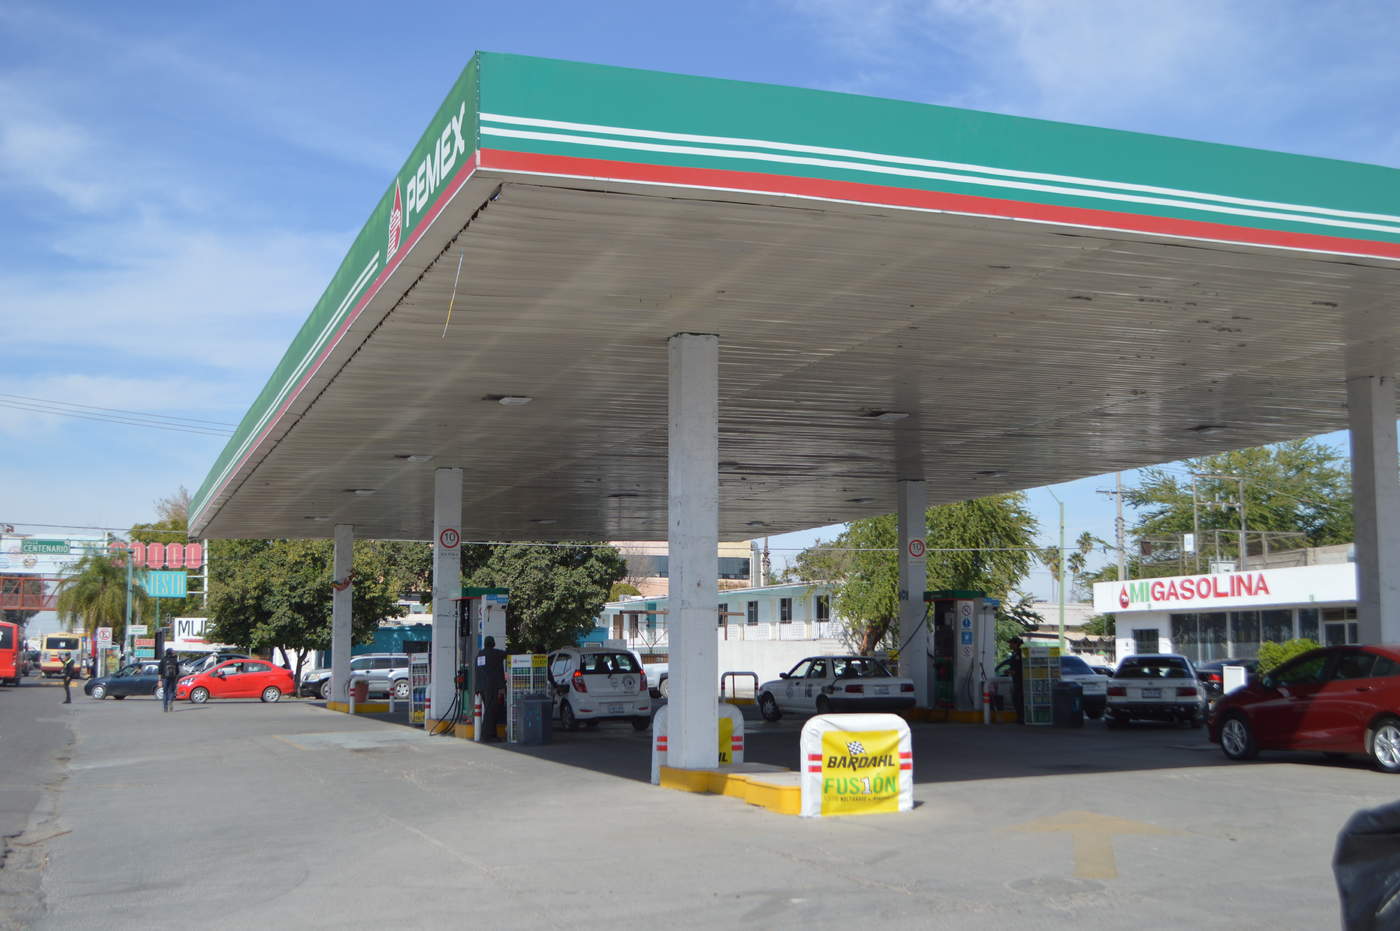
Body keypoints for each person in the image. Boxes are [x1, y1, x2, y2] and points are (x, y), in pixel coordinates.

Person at [475, 636, 507, 742]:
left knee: (490, 709)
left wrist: (477, 687)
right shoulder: (495, 653)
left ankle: (493, 735)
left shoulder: (480, 655)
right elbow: (507, 654)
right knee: (490, 711)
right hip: (491, 686)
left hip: (481, 687)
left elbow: (477, 671)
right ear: (493, 643)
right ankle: (486, 736)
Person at [1007, 637, 1025, 725]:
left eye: (1011, 643)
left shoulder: (1020, 653)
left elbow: (1020, 667)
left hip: (1020, 680)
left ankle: (1022, 718)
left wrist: (1013, 671)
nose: (1009, 645)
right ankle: (1019, 717)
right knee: (1016, 699)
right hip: (1016, 679)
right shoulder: (1014, 653)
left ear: (1016, 644)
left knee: (1019, 699)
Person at [158, 648, 181, 712]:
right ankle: (170, 701)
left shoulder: (163, 659)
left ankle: (165, 707)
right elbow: (177, 671)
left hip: (165, 678)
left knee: (165, 692)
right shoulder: (175, 660)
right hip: (173, 678)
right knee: (171, 691)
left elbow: (159, 671)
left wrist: (159, 680)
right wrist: (176, 678)